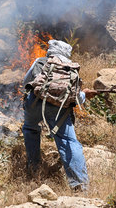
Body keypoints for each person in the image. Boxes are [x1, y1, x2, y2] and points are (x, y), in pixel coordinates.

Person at [22, 40, 97, 191]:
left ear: (50, 51)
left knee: (30, 129)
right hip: (59, 108)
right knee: (68, 141)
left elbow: (26, 82)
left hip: (35, 103)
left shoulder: (41, 61)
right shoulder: (71, 68)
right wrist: (85, 95)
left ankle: (34, 170)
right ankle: (79, 185)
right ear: (66, 54)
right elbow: (76, 97)